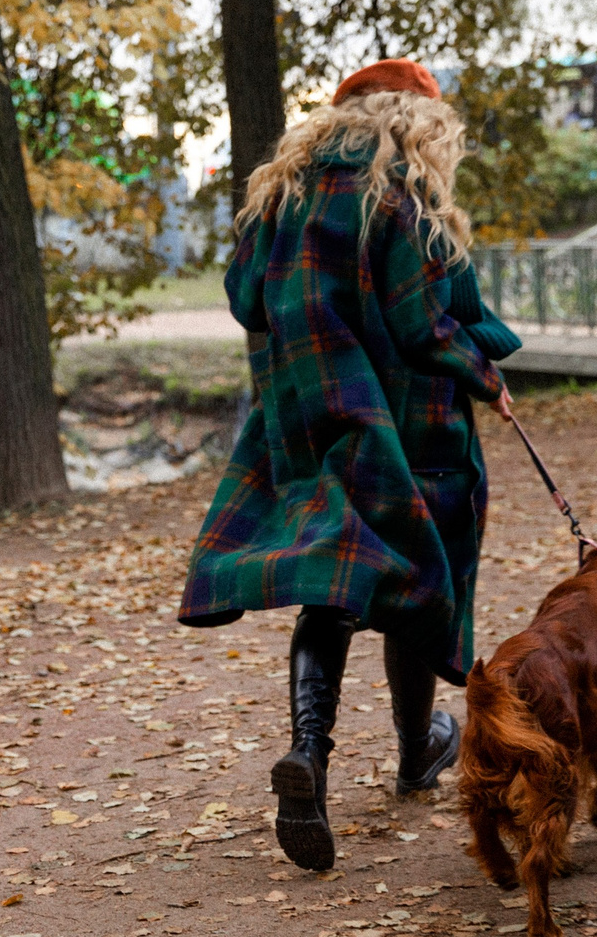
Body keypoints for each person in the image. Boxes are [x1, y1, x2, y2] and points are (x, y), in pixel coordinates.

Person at [178, 59, 523, 872]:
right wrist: (488, 374)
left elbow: (245, 299)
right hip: (409, 420)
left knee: (331, 581)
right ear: (418, 119)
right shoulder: (404, 195)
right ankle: (414, 750)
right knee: (415, 576)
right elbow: (422, 323)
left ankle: (309, 752)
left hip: (310, 409)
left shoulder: (283, 194)